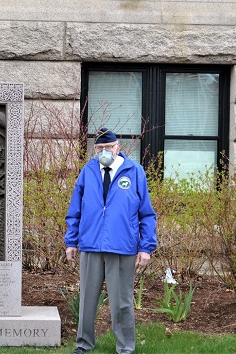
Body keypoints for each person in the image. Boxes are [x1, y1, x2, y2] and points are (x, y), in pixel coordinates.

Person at [65, 128, 157, 354]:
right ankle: (83, 344)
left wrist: (146, 247)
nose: (104, 152)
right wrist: (71, 241)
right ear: (94, 150)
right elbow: (75, 210)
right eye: (99, 149)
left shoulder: (134, 172)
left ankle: (125, 347)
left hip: (121, 246)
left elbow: (147, 214)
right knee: (87, 300)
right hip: (91, 244)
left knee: (122, 302)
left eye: (108, 148)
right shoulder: (88, 171)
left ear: (118, 148)